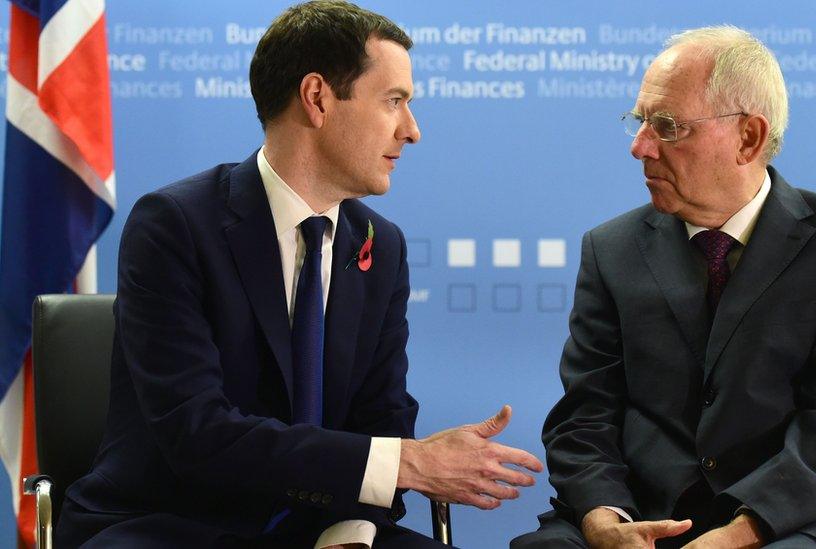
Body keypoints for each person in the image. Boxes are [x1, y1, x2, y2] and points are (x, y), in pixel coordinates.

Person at [56, 2, 542, 547]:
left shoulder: (381, 246)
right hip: (172, 524)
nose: (412, 130)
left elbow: (381, 422)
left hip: (323, 527)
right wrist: (411, 463)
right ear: (317, 99)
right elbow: (197, 435)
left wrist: (351, 531)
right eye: (394, 101)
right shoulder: (175, 226)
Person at [512, 25, 816, 549]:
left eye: (668, 127)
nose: (640, 147)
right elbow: (585, 416)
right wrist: (603, 518)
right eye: (639, 123)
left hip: (797, 516)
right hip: (646, 513)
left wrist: (738, 534)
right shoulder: (610, 249)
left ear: (748, 136)